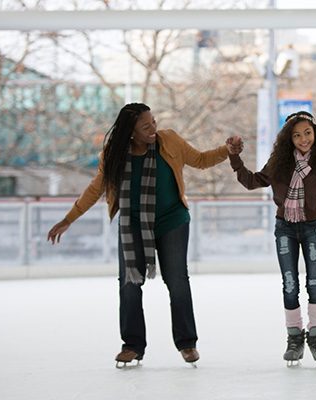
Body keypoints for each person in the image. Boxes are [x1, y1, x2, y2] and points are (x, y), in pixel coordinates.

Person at [47, 103, 239, 368]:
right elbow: (95, 189)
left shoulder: (168, 140)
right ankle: (132, 346)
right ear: (131, 132)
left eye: (154, 122)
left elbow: (200, 160)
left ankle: (187, 343)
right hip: (133, 225)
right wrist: (68, 219)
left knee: (177, 281)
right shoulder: (114, 155)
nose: (153, 128)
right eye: (146, 126)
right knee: (129, 283)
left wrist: (226, 150)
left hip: (172, 220)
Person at [227, 111, 316, 367]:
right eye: (297, 135)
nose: (303, 139)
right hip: (285, 229)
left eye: (307, 133)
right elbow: (252, 181)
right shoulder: (280, 163)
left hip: (312, 227)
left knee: (315, 282)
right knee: (290, 284)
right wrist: (235, 157)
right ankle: (294, 337)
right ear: (289, 139)